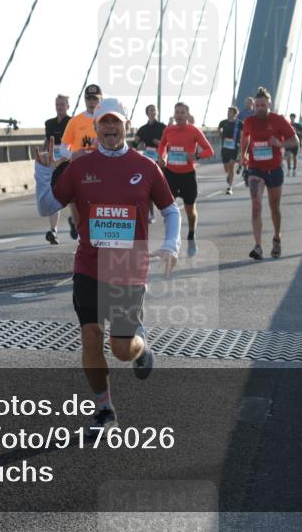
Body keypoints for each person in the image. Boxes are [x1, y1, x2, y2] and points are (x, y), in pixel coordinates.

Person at [34, 97, 180, 438]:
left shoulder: (145, 166)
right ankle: (103, 408)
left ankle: (141, 344)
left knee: (121, 349)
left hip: (129, 268)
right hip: (88, 264)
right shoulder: (80, 166)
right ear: (95, 127)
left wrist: (171, 244)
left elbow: (171, 210)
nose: (111, 128)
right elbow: (46, 207)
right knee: (90, 336)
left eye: (117, 122)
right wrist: (42, 173)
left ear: (126, 126)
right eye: (104, 122)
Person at [239, 87, 298, 259]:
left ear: (269, 104)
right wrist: (243, 154)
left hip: (274, 169)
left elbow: (295, 140)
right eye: (257, 105)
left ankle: (277, 238)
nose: (259, 108)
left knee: (274, 207)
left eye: (262, 105)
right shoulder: (249, 121)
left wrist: (279, 144)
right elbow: (245, 137)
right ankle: (257, 246)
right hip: (255, 168)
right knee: (256, 206)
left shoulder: (278, 120)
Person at [157, 102, 214, 257]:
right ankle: (170, 242)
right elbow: (162, 145)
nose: (179, 115)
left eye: (182, 112)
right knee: (167, 210)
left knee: (190, 210)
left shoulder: (194, 131)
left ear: (187, 115)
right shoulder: (168, 130)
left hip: (188, 175)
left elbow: (209, 151)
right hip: (171, 174)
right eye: (177, 112)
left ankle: (191, 235)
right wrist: (161, 156)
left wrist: (196, 155)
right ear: (174, 114)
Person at [61, 84, 103, 239]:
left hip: (101, 170)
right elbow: (63, 148)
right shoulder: (75, 121)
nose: (92, 102)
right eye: (89, 98)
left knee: (96, 209)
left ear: (101, 100)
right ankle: (76, 223)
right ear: (85, 100)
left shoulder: (106, 120)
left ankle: (93, 242)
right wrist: (73, 155)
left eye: (95, 99)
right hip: (79, 170)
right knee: (78, 211)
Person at [42, 94, 71, 244]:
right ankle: (53, 231)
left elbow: (75, 144)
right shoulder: (49, 123)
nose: (59, 107)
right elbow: (47, 142)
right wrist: (41, 158)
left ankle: (75, 221)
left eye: (62, 104)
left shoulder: (72, 122)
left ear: (68, 106)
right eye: (57, 104)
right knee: (53, 197)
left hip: (69, 164)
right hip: (54, 166)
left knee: (73, 198)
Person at [134, 104, 167, 222]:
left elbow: (170, 143)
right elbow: (134, 144)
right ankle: (151, 214)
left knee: (161, 188)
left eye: (154, 110)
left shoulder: (163, 127)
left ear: (157, 112)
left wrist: (160, 143)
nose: (153, 112)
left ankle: (166, 211)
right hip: (147, 161)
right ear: (147, 113)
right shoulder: (143, 129)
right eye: (150, 110)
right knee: (148, 188)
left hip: (160, 159)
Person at [218, 106, 239, 194]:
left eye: (230, 112)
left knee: (231, 166)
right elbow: (219, 128)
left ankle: (229, 187)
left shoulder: (239, 123)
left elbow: (244, 133)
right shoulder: (223, 122)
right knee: (227, 169)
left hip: (234, 148)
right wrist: (221, 136)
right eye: (228, 112)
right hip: (225, 148)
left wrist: (240, 143)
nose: (228, 114)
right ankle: (229, 175)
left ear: (234, 114)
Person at [232, 96, 255, 175]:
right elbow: (236, 123)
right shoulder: (241, 113)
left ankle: (244, 166)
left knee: (250, 153)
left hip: (253, 136)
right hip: (243, 136)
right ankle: (244, 167)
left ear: (252, 103)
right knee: (242, 152)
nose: (247, 104)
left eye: (248, 103)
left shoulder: (255, 113)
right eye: (246, 103)